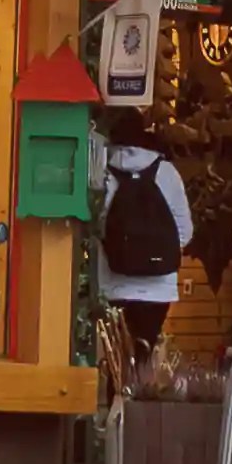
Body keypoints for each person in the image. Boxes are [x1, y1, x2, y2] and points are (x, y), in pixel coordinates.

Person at [91, 107, 192, 371]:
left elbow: (97, 223)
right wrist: (156, 251)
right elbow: (185, 230)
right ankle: (137, 406)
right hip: (158, 288)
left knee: (116, 361)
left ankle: (118, 404)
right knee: (143, 358)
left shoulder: (103, 172)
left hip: (114, 283)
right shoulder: (167, 172)